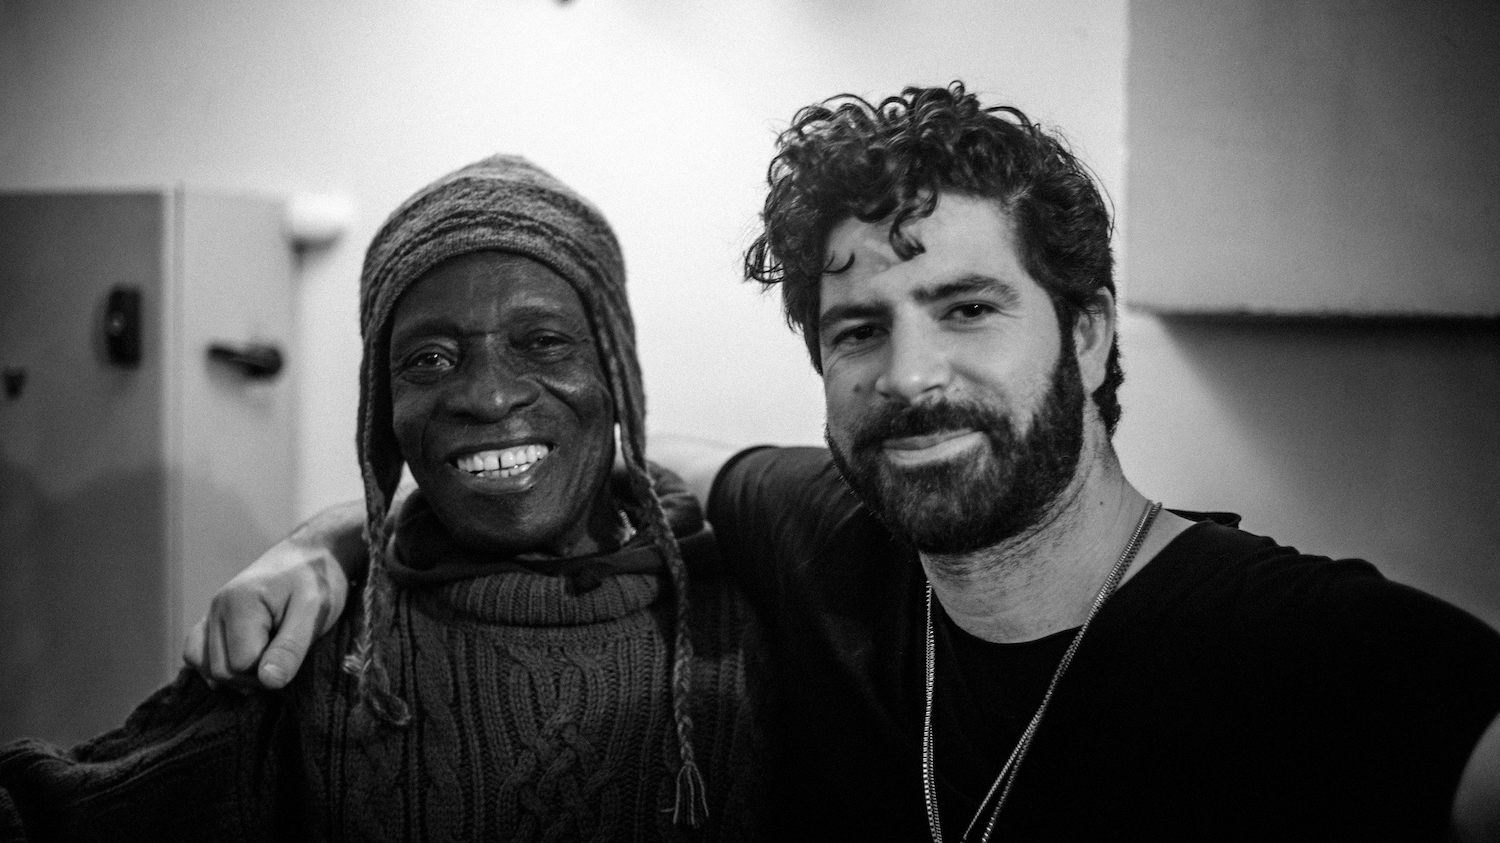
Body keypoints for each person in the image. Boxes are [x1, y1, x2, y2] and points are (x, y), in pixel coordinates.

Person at [184, 84, 1500, 842]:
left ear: (1091, 332)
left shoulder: (1304, 647)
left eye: (969, 308)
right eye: (861, 329)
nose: (911, 374)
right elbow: (595, 455)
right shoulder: (816, 533)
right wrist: (328, 541)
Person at [0, 155, 760, 841]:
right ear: (383, 411)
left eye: (543, 341)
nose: (489, 396)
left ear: (617, 372)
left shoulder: (757, 624)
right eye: (431, 358)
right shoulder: (311, 650)